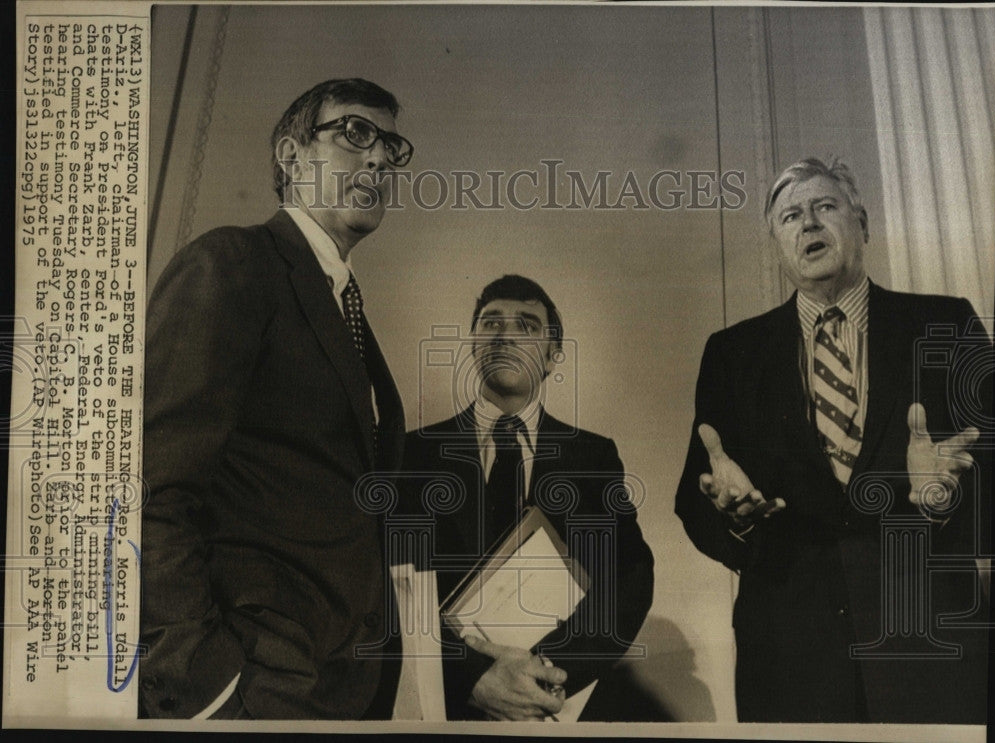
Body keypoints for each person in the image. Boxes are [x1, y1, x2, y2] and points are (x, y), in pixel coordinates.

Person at [674, 157, 990, 723]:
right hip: (791, 664)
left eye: (825, 207)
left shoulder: (946, 325)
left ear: (861, 223)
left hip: (933, 653)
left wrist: (947, 500)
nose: (809, 225)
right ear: (778, 244)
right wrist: (736, 516)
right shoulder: (733, 352)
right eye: (791, 216)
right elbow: (694, 505)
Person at [139, 78, 412, 719]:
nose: (377, 158)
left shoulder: (344, 306)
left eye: (389, 145)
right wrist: (204, 686)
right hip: (252, 687)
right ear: (291, 157)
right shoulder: (232, 263)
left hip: (341, 690)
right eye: (354, 133)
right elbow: (145, 485)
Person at [401, 275, 655, 721]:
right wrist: (474, 677)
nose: (506, 335)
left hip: (551, 704)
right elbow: (389, 588)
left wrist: (544, 676)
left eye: (527, 325)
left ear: (553, 354)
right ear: (473, 342)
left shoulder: (594, 456)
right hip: (442, 706)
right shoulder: (411, 453)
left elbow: (630, 578)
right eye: (491, 322)